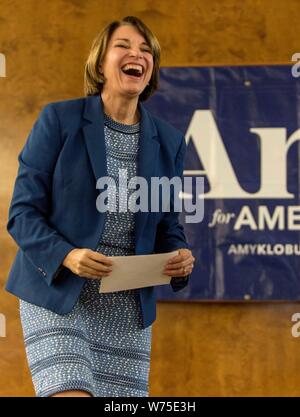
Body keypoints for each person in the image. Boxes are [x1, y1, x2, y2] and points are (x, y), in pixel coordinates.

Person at [6, 15, 194, 397]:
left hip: (126, 308)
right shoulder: (59, 120)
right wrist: (68, 255)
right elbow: (22, 214)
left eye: (146, 51)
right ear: (101, 62)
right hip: (58, 293)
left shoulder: (170, 141)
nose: (136, 54)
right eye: (123, 45)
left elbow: (167, 224)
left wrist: (178, 257)